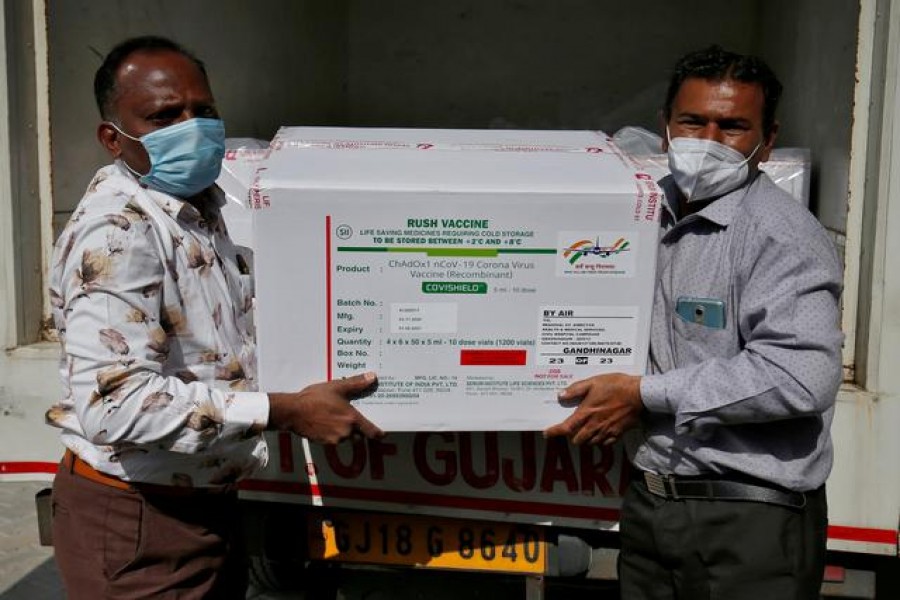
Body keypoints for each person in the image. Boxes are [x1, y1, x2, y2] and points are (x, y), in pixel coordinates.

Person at [46, 36, 382, 599]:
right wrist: (285, 411)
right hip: (140, 519)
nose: (193, 127)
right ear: (113, 137)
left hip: (204, 504)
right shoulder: (120, 233)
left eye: (203, 111)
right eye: (164, 116)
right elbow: (115, 405)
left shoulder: (203, 206)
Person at [546, 45, 843, 599]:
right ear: (665, 128)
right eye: (693, 121)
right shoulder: (639, 214)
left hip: (748, 523)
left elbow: (803, 375)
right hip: (652, 504)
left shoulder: (782, 236)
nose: (708, 141)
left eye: (732, 126)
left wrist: (645, 394)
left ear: (767, 138)